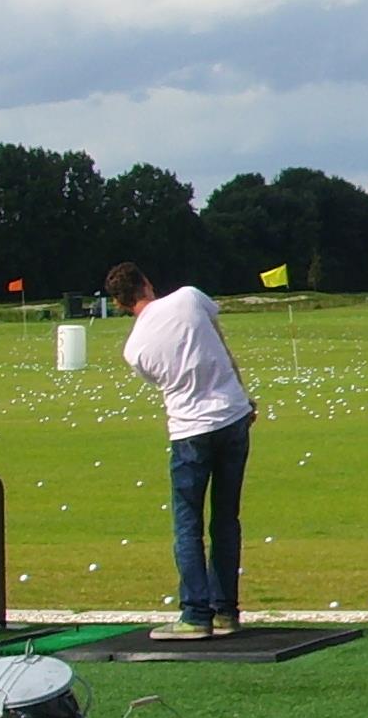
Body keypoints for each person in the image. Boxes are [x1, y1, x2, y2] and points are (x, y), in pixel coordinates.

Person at [106, 262, 257, 639]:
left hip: (189, 430)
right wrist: (243, 397)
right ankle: (225, 611)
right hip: (232, 417)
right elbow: (221, 346)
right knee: (225, 520)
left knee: (187, 525)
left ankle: (195, 614)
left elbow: (165, 380)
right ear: (147, 283)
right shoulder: (191, 297)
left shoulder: (134, 349)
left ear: (121, 303)